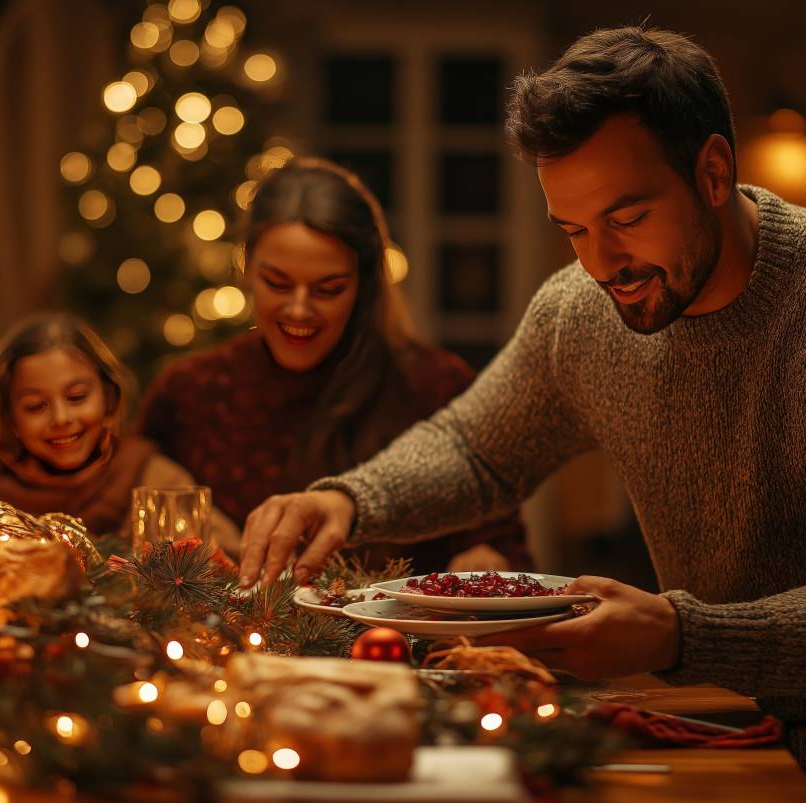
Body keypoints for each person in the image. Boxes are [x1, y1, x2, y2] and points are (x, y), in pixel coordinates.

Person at [236, 27, 806, 767]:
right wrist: (349, 502)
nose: (603, 264)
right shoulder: (581, 311)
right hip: (735, 729)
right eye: (573, 229)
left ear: (713, 173)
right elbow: (477, 449)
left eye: (628, 219)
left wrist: (683, 636)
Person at [137, 157, 528, 574]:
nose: (299, 310)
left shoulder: (434, 387)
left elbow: (503, 548)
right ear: (247, 268)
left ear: (364, 285)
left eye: (329, 289)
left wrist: (486, 566)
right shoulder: (190, 391)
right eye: (278, 284)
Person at [0, 313, 240, 550]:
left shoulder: (157, 482)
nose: (61, 418)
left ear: (108, 397)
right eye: (36, 406)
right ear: (11, 419)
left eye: (77, 397)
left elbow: (230, 565)